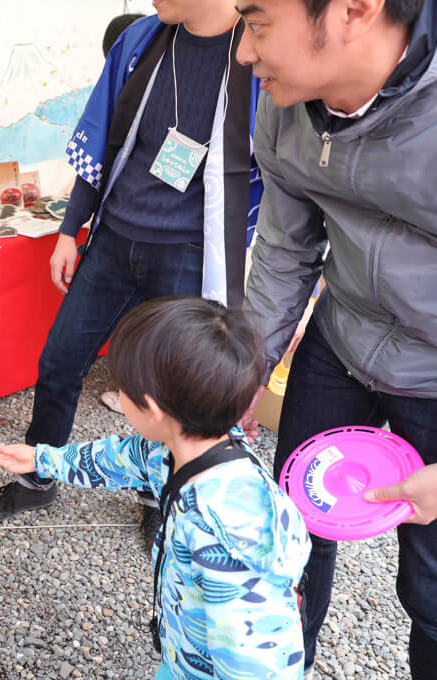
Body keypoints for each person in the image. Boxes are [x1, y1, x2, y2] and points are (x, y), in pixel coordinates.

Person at [0, 0, 265, 542]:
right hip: (113, 236)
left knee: (170, 388)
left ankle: (161, 495)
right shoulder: (141, 41)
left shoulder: (256, 50)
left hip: (188, 250)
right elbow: (100, 142)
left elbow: (271, 171)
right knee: (59, 361)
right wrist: (68, 231)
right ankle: (38, 477)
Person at [234, 0, 436, 677]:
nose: (242, 51)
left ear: (355, 10)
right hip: (342, 336)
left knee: (432, 590)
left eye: (257, 22)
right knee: (292, 522)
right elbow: (286, 248)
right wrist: (244, 368)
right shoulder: (285, 98)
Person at [0, 297, 310, 680]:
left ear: (153, 409)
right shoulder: (177, 449)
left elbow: (254, 663)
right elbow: (120, 458)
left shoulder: (228, 532)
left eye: (122, 387)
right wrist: (41, 460)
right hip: (183, 657)